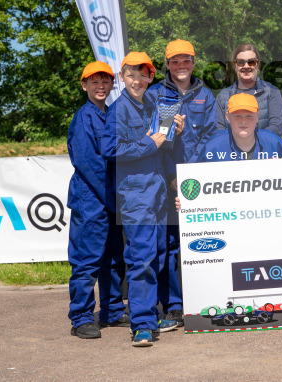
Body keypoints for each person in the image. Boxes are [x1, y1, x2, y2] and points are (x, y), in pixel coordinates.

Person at [101, 52, 185, 347]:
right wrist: (150, 142)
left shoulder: (152, 105)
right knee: (141, 260)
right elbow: (111, 149)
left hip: (158, 192)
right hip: (136, 196)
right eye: (131, 74)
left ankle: (150, 312)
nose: (137, 80)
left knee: (159, 256)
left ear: (151, 77)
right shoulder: (118, 110)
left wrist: (176, 132)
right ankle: (142, 325)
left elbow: (163, 145)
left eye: (143, 74)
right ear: (122, 77)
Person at [146, 39, 217, 328]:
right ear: (166, 64)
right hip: (168, 181)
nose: (180, 66)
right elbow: (153, 142)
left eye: (186, 60)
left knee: (206, 240)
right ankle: (174, 305)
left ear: (194, 61)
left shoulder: (206, 96)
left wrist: (194, 176)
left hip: (198, 181)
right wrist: (174, 176)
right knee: (171, 244)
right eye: (174, 61)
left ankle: (206, 298)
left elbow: (212, 138)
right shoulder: (154, 95)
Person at [66, 61, 124, 340]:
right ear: (84, 85)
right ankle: (81, 317)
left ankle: (112, 312)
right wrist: (114, 199)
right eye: (94, 82)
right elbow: (89, 164)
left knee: (113, 260)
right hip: (91, 200)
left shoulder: (112, 114)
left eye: (105, 82)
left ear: (113, 85)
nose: (100, 87)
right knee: (86, 262)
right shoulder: (83, 117)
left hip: (111, 200)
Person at [215, 43, 282, 136]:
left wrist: (250, 142)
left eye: (251, 62)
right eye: (241, 62)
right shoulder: (222, 97)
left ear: (258, 65)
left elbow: (277, 128)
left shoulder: (272, 92)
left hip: (264, 149)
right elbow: (218, 130)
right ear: (235, 65)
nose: (246, 66)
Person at [199, 93, 282, 162]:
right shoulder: (213, 147)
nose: (243, 121)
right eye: (237, 116)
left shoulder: (275, 143)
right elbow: (196, 180)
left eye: (249, 116)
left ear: (257, 117)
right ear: (228, 117)